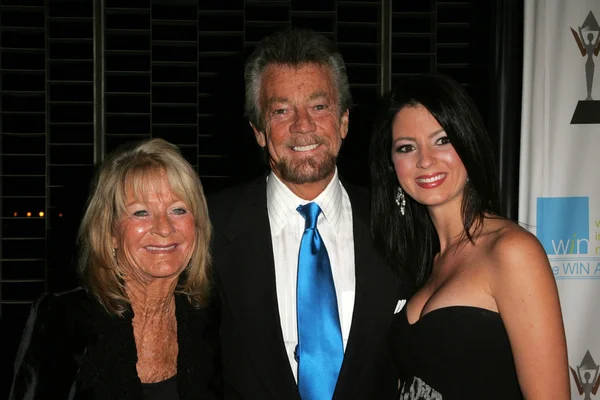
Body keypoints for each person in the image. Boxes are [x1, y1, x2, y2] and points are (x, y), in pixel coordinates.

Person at [208, 29, 409, 399]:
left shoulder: (398, 222)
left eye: (319, 107)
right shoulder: (209, 228)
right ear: (258, 131)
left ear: (344, 121)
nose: (302, 125)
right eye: (281, 110)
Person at [370, 74, 570, 399]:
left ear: (468, 142)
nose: (424, 160)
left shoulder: (512, 252)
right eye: (406, 147)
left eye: (442, 140)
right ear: (392, 166)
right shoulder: (418, 262)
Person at [9, 138, 222, 399]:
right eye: (141, 212)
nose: (165, 228)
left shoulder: (210, 319)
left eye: (178, 210)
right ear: (109, 231)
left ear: (198, 225)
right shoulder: (64, 320)